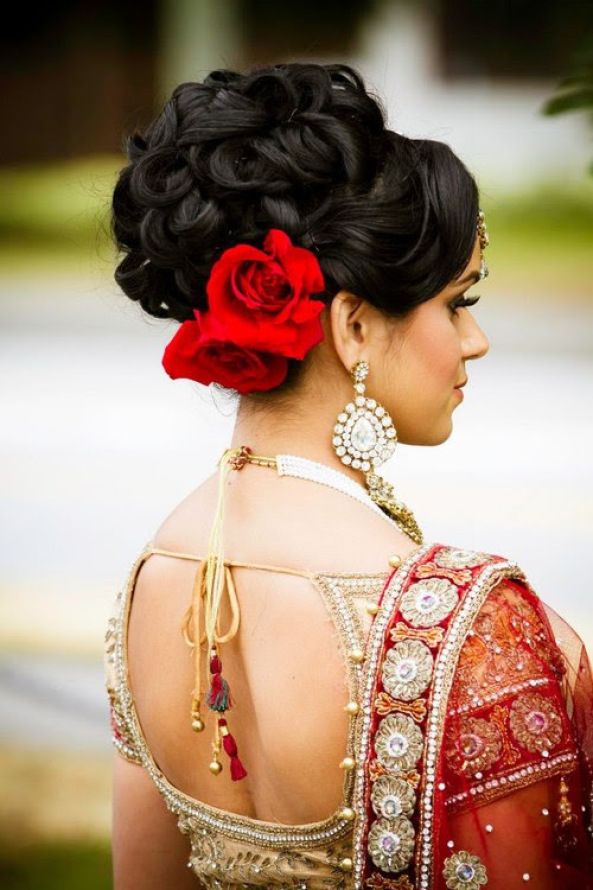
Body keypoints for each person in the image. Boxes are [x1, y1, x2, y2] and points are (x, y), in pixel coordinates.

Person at [104, 63, 593, 889]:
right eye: (456, 301)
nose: (474, 340)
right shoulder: (461, 619)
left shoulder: (160, 572)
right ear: (354, 324)